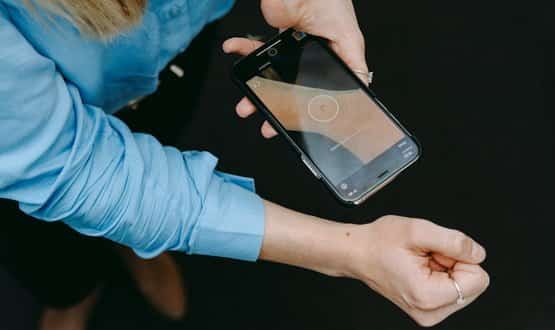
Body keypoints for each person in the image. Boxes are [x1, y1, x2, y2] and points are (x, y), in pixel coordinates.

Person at [0, 0, 489, 329]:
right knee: (53, 251)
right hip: (28, 152)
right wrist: (351, 253)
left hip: (167, 66)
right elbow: (80, 172)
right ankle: (71, 298)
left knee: (164, 131)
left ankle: (135, 246)